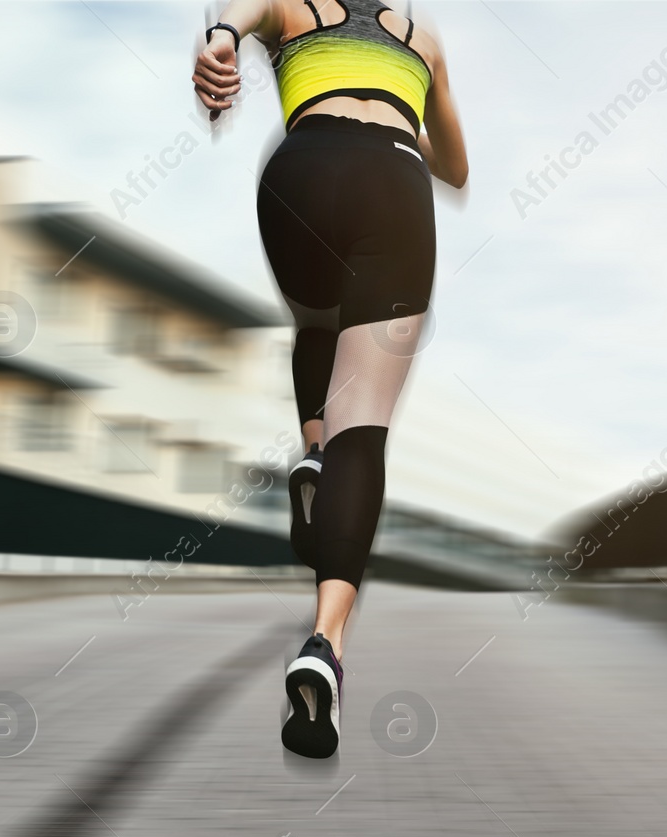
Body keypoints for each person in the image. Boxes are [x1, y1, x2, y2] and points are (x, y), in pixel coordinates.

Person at [192, 0, 468, 758]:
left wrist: (217, 48)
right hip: (397, 180)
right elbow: (458, 169)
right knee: (366, 427)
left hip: (301, 173)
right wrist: (404, 115)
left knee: (317, 321)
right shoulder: (425, 40)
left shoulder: (291, 4)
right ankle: (324, 641)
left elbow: (229, 26)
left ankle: (312, 444)